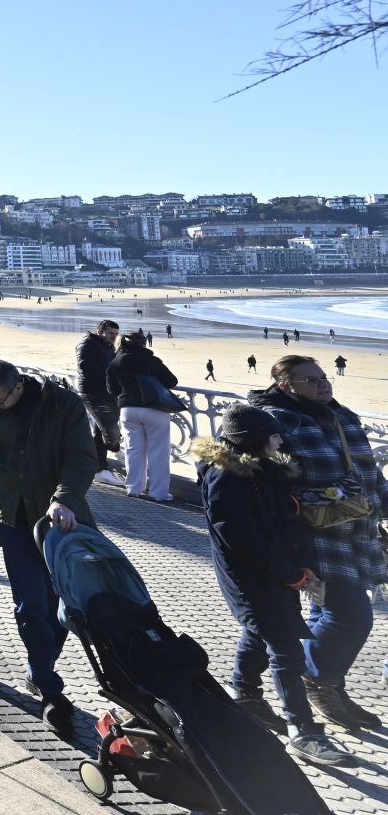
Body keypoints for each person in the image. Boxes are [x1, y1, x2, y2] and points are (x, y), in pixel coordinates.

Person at [195, 405, 355, 768]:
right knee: (285, 648)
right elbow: (240, 537)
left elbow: (290, 521)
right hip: (248, 576)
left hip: (277, 570)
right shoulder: (226, 476)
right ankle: (303, 730)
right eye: (274, 435)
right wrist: (287, 572)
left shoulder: (270, 469)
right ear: (253, 440)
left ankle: (245, 693)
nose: (280, 440)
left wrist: (304, 566)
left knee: (260, 630)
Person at [250, 355, 388, 730]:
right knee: (352, 616)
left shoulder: (340, 416)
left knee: (324, 614)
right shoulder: (274, 421)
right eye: (310, 380)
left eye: (323, 377)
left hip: (357, 531)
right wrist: (317, 499)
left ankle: (331, 686)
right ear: (285, 386)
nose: (322, 384)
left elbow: (367, 470)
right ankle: (315, 680)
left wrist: (381, 502)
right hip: (315, 537)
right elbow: (270, 481)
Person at [0, 358, 100, 739]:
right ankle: (48, 686)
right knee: (29, 603)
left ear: (18, 386)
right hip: (10, 516)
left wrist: (65, 499)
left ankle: (39, 665)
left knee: (65, 603)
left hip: (57, 520)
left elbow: (82, 457)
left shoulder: (62, 404)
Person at [108, 329, 182, 502]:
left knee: (133, 450)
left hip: (128, 409)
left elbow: (112, 389)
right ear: (143, 343)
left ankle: (133, 488)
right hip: (154, 408)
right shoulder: (150, 360)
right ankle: (159, 493)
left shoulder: (116, 362)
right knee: (158, 452)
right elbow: (172, 381)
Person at [76, 320, 123, 483]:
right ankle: (116, 449)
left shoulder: (108, 346)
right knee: (111, 431)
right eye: (110, 333)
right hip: (93, 393)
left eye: (116, 334)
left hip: (107, 393)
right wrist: (111, 376)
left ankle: (99, 469)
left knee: (100, 433)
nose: (114, 337)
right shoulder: (87, 344)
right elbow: (85, 366)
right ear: (99, 331)